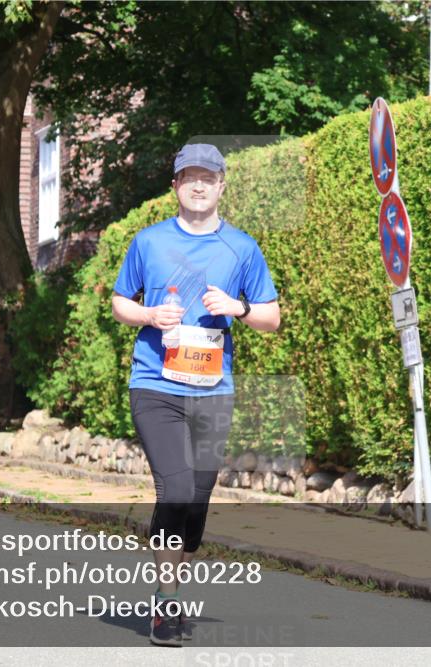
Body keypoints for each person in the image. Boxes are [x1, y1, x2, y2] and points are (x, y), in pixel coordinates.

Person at [110, 143, 281, 646]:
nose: (199, 185)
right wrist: (147, 315)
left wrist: (238, 307)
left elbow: (272, 319)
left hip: (213, 391)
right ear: (176, 187)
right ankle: (166, 603)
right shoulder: (148, 242)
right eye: (189, 178)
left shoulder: (242, 248)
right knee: (177, 489)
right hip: (155, 385)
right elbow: (121, 301)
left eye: (208, 177)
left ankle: (173, 579)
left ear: (223, 185)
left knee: (197, 504)